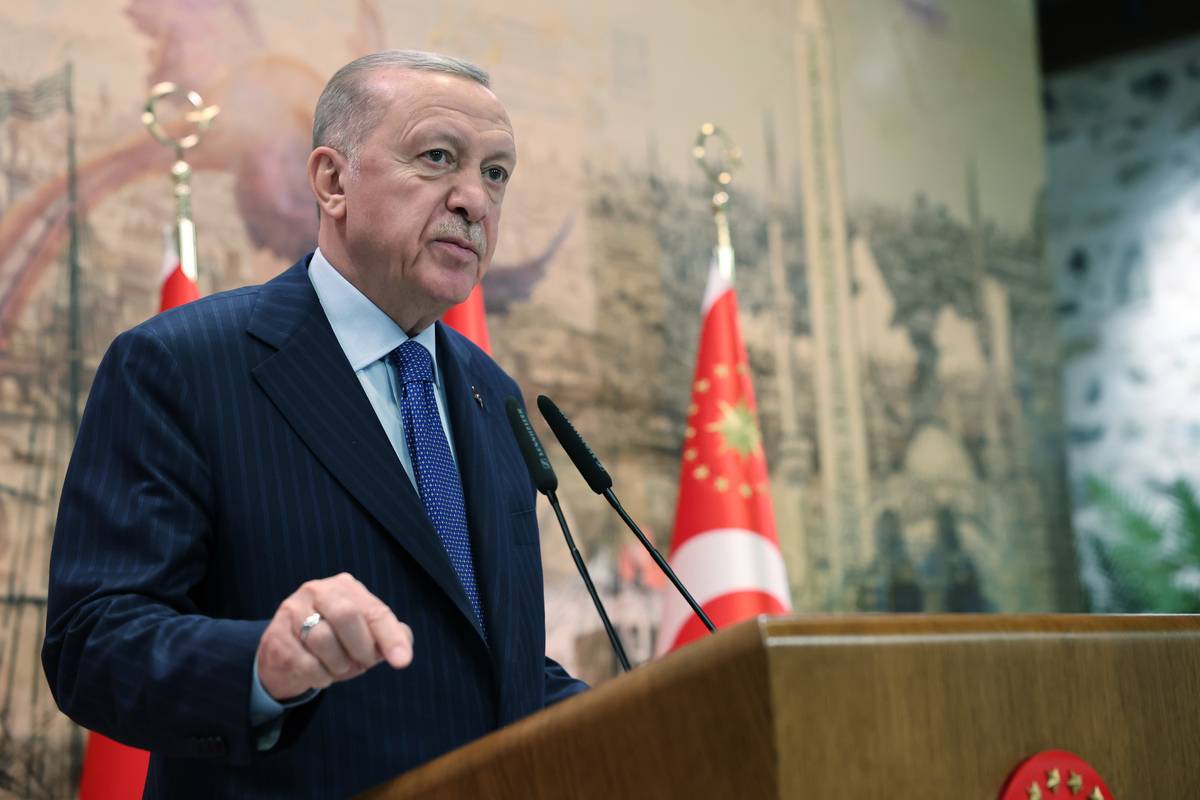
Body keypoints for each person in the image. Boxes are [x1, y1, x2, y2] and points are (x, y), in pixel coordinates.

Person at [42, 50, 586, 799]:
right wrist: (263, 666)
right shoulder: (181, 366)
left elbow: (484, 664)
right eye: (439, 158)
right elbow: (93, 644)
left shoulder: (491, 393)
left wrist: (655, 720)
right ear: (332, 181)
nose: (475, 200)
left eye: (496, 173)